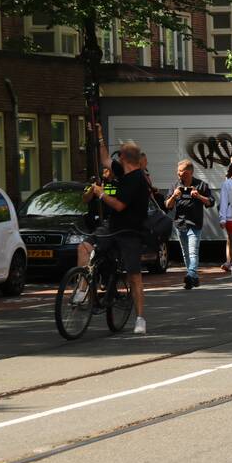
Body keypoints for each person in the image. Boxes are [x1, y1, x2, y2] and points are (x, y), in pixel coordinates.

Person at [88, 143, 149, 335]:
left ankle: (140, 319)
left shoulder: (138, 179)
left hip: (130, 232)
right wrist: (98, 137)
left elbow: (119, 205)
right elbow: (105, 159)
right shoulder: (122, 172)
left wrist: (101, 193)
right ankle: (84, 289)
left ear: (123, 157)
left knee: (134, 275)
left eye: (118, 156)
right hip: (112, 228)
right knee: (84, 247)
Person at [165, 159, 215, 289]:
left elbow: (210, 202)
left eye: (181, 171)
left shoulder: (201, 185)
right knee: (185, 253)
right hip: (180, 224)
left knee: (193, 252)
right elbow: (167, 205)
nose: (178, 173)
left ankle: (190, 274)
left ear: (189, 173)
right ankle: (194, 279)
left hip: (194, 224)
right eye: (178, 171)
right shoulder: (175, 186)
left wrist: (198, 196)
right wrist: (174, 196)